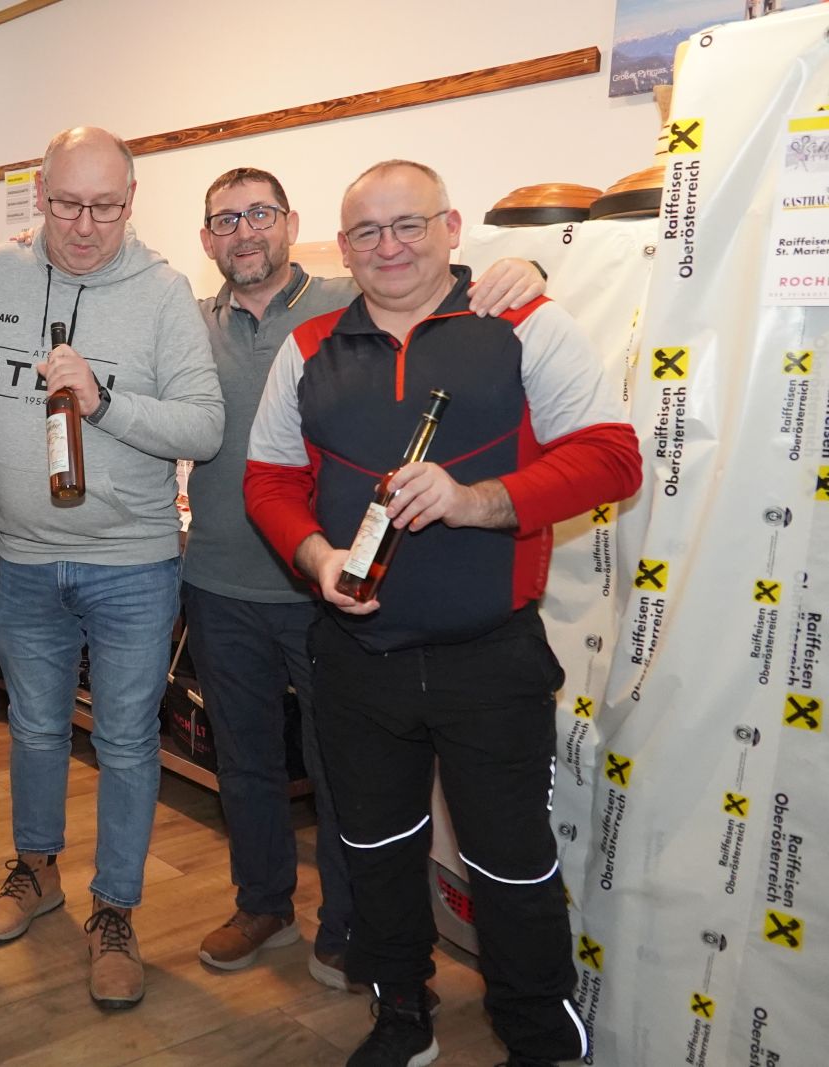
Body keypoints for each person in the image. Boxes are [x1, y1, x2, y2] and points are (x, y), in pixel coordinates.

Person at [245, 160, 641, 1067]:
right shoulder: (307, 346)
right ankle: (401, 1012)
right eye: (367, 232)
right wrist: (316, 556)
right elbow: (269, 479)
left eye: (409, 225)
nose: (389, 247)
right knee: (376, 848)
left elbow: (612, 456)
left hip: (489, 658)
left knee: (510, 859)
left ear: (452, 228)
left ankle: (540, 1035)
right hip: (356, 656)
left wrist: (475, 501)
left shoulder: (521, 322)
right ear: (343, 247)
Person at [185, 168, 543, 988]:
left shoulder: (350, 298)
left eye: (261, 213)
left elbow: (441, 283)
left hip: (339, 597)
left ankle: (350, 927)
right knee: (245, 761)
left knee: (345, 775)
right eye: (226, 220)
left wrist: (530, 269)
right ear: (207, 239)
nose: (245, 232)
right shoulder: (189, 322)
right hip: (220, 577)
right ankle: (263, 903)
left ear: (294, 225)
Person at [0, 126, 224, 1010]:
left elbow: (204, 426)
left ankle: (115, 909)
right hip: (23, 557)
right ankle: (37, 871)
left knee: (124, 742)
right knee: (34, 728)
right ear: (40, 194)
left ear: (131, 201)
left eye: (105, 207)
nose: (83, 225)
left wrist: (104, 402)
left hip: (131, 562)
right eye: (67, 203)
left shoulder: (163, 292)